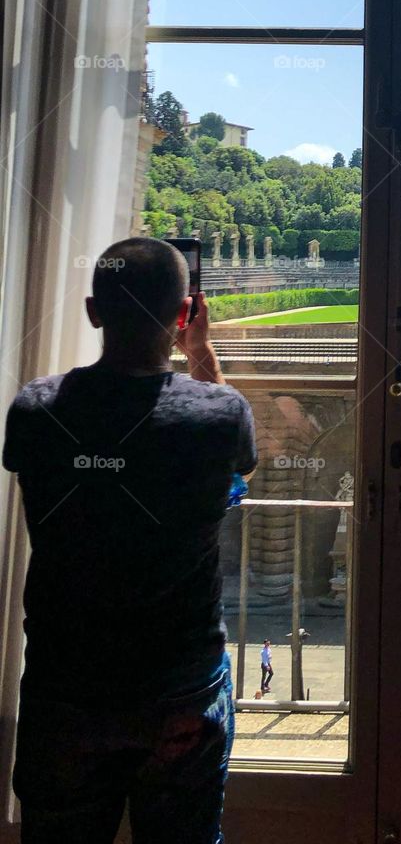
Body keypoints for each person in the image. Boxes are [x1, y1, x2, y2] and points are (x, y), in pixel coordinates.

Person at [2, 237, 257, 842]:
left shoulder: (34, 409)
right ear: (183, 314)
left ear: (94, 312)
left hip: (66, 685)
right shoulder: (221, 415)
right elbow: (236, 474)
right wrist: (201, 351)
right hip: (180, 685)